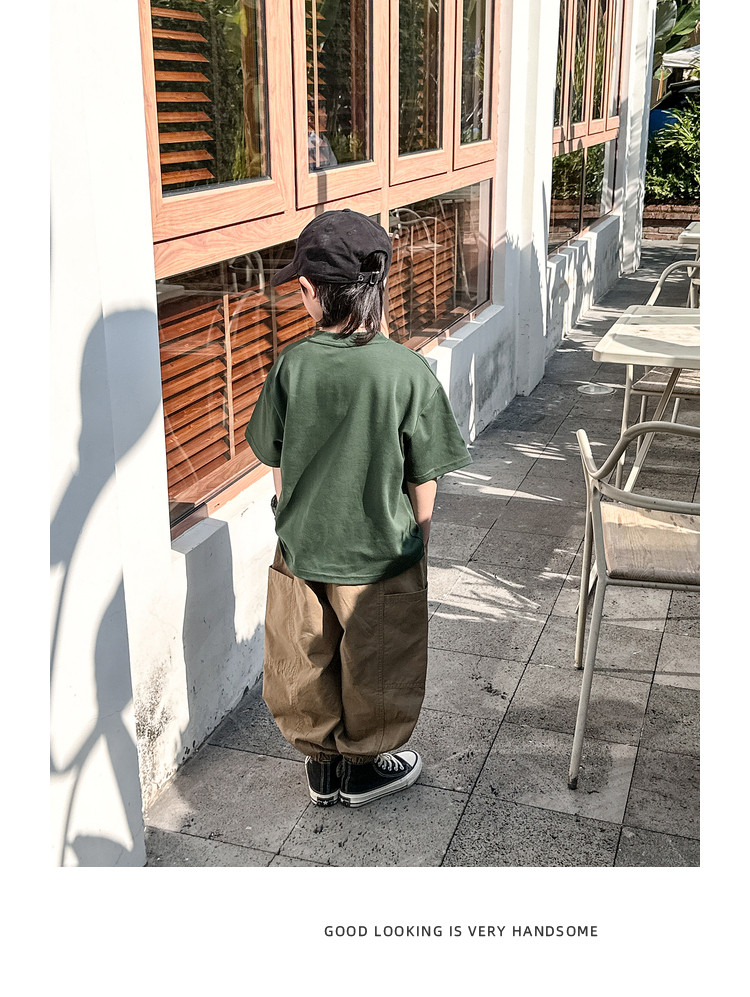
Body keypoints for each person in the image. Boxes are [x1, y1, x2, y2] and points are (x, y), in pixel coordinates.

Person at [245, 209, 471, 809]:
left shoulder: (292, 365)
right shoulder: (407, 371)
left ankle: (322, 769)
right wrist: (420, 539)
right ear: (378, 287)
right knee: (379, 660)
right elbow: (424, 474)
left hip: (302, 549)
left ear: (310, 291)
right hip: (381, 555)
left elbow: (275, 456)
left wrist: (286, 512)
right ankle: (364, 767)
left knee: (303, 657)